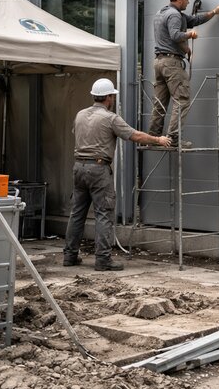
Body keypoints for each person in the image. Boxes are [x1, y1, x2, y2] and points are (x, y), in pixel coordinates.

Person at [63, 78, 171, 271]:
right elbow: (135, 136)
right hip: (98, 169)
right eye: (112, 96)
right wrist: (158, 139)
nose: (113, 99)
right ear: (109, 97)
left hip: (79, 167)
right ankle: (103, 260)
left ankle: (70, 256)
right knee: (104, 214)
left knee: (77, 213)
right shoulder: (110, 118)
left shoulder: (80, 115)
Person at [149, 0, 219, 145]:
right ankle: (174, 139)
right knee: (181, 99)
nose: (188, 1)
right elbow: (175, 35)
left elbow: (194, 20)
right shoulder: (174, 15)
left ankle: (153, 138)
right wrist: (190, 35)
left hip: (159, 62)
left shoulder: (162, 13)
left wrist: (213, 12)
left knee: (160, 103)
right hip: (171, 63)